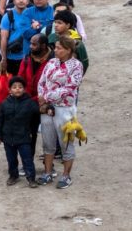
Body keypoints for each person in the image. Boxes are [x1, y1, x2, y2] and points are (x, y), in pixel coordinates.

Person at [37, 35, 84, 189]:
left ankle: (66, 175)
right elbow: (42, 81)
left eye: (59, 48)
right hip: (46, 108)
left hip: (64, 109)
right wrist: (41, 96)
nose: (55, 50)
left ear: (68, 50)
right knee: (48, 140)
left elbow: (70, 87)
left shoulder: (76, 66)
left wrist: (47, 97)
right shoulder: (51, 62)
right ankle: (48, 172)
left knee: (66, 142)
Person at [0, 75, 40, 188]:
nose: (17, 89)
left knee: (27, 159)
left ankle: (31, 178)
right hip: (8, 138)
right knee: (11, 159)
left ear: (24, 89)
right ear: (9, 90)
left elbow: (37, 116)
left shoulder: (30, 104)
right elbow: (0, 120)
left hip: (24, 137)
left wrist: (32, 131)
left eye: (20, 87)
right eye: (14, 87)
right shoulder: (4, 104)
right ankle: (13, 175)